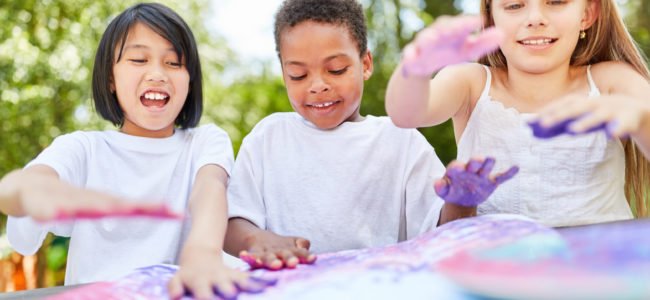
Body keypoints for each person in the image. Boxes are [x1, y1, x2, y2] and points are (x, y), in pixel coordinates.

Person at [224, 0, 517, 271]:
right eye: (298, 75)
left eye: (336, 70)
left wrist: (462, 201)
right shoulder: (268, 138)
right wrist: (256, 241)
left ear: (365, 64)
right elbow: (232, 224)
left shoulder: (401, 141)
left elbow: (442, 236)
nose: (317, 86)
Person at [2, 3, 269, 299]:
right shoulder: (83, 148)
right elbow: (31, 194)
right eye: (139, 59)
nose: (157, 74)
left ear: (190, 81)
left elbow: (210, 189)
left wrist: (203, 252)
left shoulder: (205, 142)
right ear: (110, 80)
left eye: (174, 63)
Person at [385, 0, 650, 227]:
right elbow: (407, 115)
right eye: (514, 5)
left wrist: (640, 118)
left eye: (556, 1)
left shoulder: (612, 81)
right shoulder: (470, 84)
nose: (536, 18)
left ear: (587, 13)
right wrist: (416, 66)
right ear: (492, 18)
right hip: (499, 272)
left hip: (601, 269)